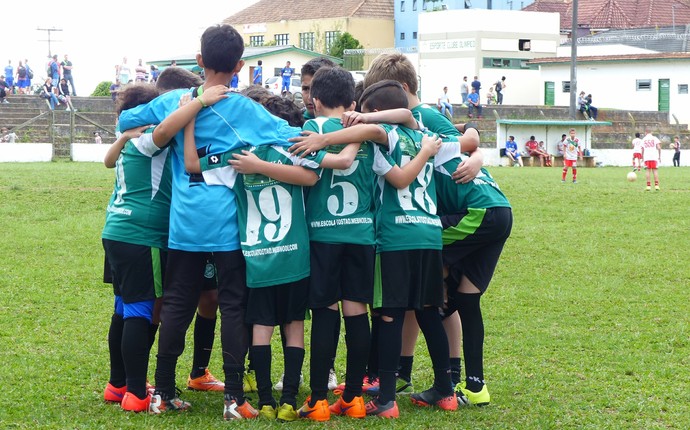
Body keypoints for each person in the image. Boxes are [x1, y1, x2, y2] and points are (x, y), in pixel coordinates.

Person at [117, 24, 302, 421]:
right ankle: (234, 398)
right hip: (229, 227)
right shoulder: (246, 109)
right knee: (233, 306)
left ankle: (163, 392)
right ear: (239, 65)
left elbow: (126, 119)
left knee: (178, 305)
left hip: (185, 226)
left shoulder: (173, 101)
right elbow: (293, 136)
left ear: (199, 61)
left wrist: (150, 123)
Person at [184, 88, 359, 423]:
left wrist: (191, 117)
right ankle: (289, 400)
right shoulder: (292, 148)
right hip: (295, 256)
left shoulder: (238, 154)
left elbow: (193, 164)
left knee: (261, 328)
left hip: (258, 259)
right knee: (294, 327)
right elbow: (311, 177)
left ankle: (266, 399)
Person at [101, 81, 231, 413]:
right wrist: (199, 101)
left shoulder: (126, 141)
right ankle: (135, 393)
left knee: (123, 309)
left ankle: (118, 385)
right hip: (142, 235)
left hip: (117, 230)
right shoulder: (146, 140)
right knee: (140, 313)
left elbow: (107, 160)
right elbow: (165, 131)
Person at [362, 52, 482, 395]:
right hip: (429, 230)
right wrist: (471, 152)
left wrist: (328, 136)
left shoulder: (392, 136)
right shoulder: (426, 139)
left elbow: (399, 178)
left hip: (397, 235)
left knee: (390, 313)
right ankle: (445, 388)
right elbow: (462, 143)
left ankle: (386, 395)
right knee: (431, 309)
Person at [290, 66, 375, 422]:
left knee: (324, 313)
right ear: (352, 101)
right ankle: (354, 397)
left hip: (323, 234)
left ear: (315, 101)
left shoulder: (312, 129)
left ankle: (319, 400)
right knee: (357, 313)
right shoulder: (369, 132)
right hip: (361, 235)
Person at [434, 137, 513, 408]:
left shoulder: (424, 151)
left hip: (480, 213)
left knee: (420, 234)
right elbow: (471, 135)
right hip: (502, 211)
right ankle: (476, 387)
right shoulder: (458, 149)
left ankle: (440, 381)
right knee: (466, 301)